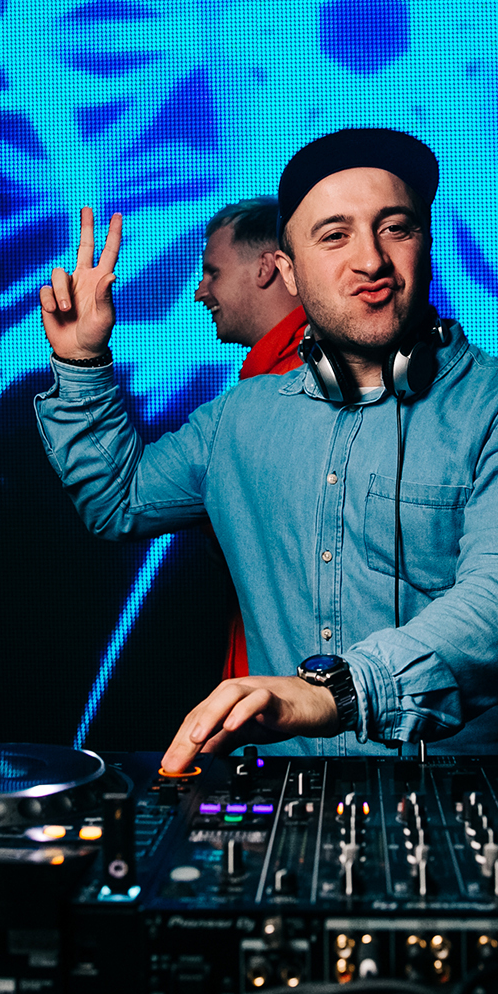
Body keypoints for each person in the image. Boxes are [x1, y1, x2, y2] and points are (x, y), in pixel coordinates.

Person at [36, 129, 498, 769]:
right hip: (285, 786)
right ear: (289, 273)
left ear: (427, 243)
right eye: (334, 236)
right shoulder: (238, 418)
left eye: (396, 229)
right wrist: (81, 362)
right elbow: (117, 501)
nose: (371, 261)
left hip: (463, 787)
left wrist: (339, 694)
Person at [194, 196, 310, 680]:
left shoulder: (298, 391)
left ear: (265, 268)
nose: (200, 292)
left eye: (213, 272)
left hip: (303, 706)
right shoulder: (263, 389)